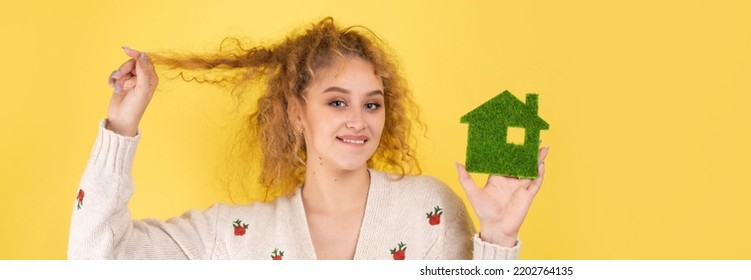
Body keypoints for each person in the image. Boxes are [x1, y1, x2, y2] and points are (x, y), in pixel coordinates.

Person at [68, 17, 549, 260]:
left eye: (372, 103)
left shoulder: (430, 209)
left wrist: (498, 239)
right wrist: (121, 127)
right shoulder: (233, 238)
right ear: (296, 114)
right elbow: (94, 260)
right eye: (336, 102)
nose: (358, 120)